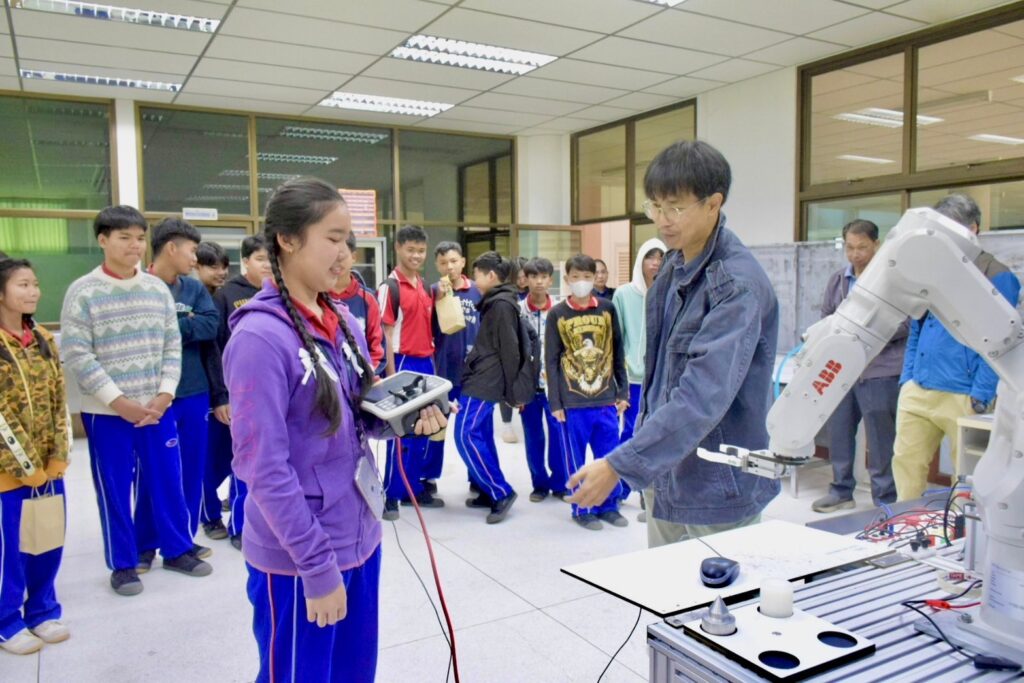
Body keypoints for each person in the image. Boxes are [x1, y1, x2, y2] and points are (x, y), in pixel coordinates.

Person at [223, 177, 446, 683]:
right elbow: (264, 469)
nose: (345, 253)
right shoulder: (260, 339)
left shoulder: (341, 320)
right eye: (333, 238)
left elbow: (355, 419)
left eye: (348, 240)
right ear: (287, 239)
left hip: (358, 534)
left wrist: (406, 419)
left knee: (353, 672)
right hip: (300, 559)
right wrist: (316, 567)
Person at [566, 140, 780, 547]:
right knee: (665, 583)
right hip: (667, 474)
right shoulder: (672, 269)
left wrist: (621, 463)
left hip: (718, 484)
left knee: (720, 585)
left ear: (714, 203)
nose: (662, 220)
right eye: (656, 207)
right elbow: (659, 379)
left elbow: (701, 396)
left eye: (676, 208)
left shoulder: (735, 286)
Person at [61, 205, 211, 596]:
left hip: (157, 408)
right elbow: (77, 354)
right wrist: (118, 401)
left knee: (167, 479)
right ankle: (123, 564)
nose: (134, 245)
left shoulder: (155, 289)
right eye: (124, 237)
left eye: (140, 238)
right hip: (107, 413)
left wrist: (165, 393)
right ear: (103, 240)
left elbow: (172, 345)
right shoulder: (83, 291)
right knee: (114, 487)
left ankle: (177, 549)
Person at [892, 194, 1021, 500]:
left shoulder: (996, 274)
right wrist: (908, 377)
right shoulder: (933, 269)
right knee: (906, 465)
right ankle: (904, 522)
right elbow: (917, 325)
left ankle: (961, 529)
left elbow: (1001, 343)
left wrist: (980, 394)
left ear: (972, 229)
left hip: (964, 394)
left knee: (965, 478)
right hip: (919, 388)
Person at [136, 218, 219, 567]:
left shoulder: (193, 288)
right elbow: (143, 334)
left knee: (191, 470)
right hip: (155, 395)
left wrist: (170, 327)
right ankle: (144, 543)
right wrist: (186, 324)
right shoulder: (141, 286)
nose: (195, 258)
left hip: (194, 390)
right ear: (171, 248)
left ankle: (181, 542)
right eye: (191, 250)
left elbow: (211, 324)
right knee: (154, 472)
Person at [0, 258, 72, 655]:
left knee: (46, 539)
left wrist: (58, 456)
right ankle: (7, 620)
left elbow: (59, 399)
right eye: (23, 285)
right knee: (10, 549)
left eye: (35, 284)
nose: (33, 292)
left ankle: (42, 609)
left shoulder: (42, 337)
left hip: (48, 469)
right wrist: (25, 466)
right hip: (9, 473)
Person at [812, 220, 906, 513]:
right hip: (842, 370)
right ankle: (841, 490)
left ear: (876, 244)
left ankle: (884, 499)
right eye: (850, 248)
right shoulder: (838, 280)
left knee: (880, 438)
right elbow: (827, 317)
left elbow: (906, 323)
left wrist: (867, 333)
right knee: (839, 432)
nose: (855, 254)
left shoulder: (891, 280)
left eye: (862, 247)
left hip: (880, 370)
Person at [546, 254, 629, 530]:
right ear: (566, 279)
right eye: (576, 277)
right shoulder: (557, 314)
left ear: (595, 278)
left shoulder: (607, 309)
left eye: (587, 276)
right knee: (576, 459)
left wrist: (623, 391)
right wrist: (555, 402)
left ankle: (609, 505)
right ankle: (581, 508)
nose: (581, 282)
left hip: (606, 398)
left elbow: (618, 351)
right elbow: (551, 360)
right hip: (572, 402)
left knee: (609, 455)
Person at [201, 234, 272, 548]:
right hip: (233, 394)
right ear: (245, 262)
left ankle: (246, 521)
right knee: (219, 460)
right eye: (260, 259)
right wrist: (221, 396)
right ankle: (214, 517)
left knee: (253, 462)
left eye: (271, 259)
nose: (267, 265)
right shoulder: (226, 295)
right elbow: (214, 349)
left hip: (266, 393)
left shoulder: (277, 293)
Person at [377, 225, 441, 519]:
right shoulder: (389, 288)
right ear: (398, 249)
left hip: (426, 363)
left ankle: (412, 489)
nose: (416, 256)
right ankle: (390, 495)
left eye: (421, 251)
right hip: (402, 364)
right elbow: (385, 335)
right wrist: (392, 378)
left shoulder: (425, 286)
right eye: (411, 250)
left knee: (423, 430)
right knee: (401, 434)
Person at [457, 251, 521, 524]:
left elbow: (510, 349)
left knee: (465, 433)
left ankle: (500, 491)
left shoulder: (501, 305)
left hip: (486, 380)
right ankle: (487, 489)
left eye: (477, 275)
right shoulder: (495, 302)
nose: (474, 281)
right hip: (482, 376)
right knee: (479, 432)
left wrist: (511, 390)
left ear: (491, 276)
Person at [612, 239, 665, 519]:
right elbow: (616, 337)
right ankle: (620, 488)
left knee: (656, 436)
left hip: (659, 377)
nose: (655, 263)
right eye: (650, 257)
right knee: (630, 433)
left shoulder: (669, 293)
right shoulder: (624, 294)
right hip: (631, 379)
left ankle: (649, 492)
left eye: (660, 257)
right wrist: (619, 374)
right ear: (640, 260)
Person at [424, 241, 481, 493]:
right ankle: (428, 478)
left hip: (474, 374)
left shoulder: (478, 291)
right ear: (437, 265)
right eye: (443, 262)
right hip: (443, 371)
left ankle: (478, 479)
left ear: (463, 262)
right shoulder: (433, 291)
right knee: (436, 427)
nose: (449, 266)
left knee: (474, 430)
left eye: (454, 261)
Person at [519, 257, 568, 502]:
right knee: (533, 437)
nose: (539, 281)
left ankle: (560, 482)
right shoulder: (518, 310)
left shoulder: (560, 309)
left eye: (544, 277)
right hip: (528, 388)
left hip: (555, 387)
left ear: (550, 280)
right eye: (533, 276)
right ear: (526, 279)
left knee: (558, 435)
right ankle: (539, 484)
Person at [329, 233, 384, 376]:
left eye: (341, 257)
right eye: (330, 257)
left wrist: (367, 375)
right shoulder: (315, 296)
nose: (336, 263)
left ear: (354, 257)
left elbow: (377, 348)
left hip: (363, 379)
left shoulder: (368, 299)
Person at [498, 257, 531, 445]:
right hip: (510, 343)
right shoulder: (507, 294)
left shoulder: (533, 293)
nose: (522, 281)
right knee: (508, 382)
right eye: (518, 277)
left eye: (525, 276)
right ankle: (506, 424)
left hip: (529, 343)